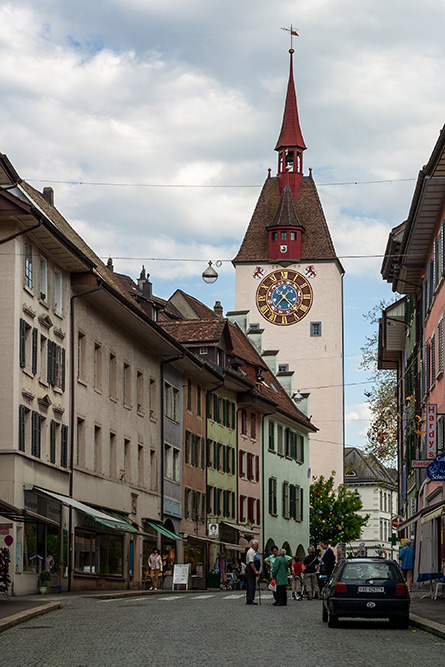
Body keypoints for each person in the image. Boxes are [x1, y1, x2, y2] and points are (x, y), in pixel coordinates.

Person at [245, 539, 261, 605]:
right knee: (251, 584)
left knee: (251, 584)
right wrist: (255, 571)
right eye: (257, 545)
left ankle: (250, 598)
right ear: (253, 545)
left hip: (251, 569)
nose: (258, 547)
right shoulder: (251, 552)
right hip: (250, 569)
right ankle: (250, 599)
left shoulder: (253, 552)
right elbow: (251, 563)